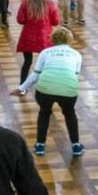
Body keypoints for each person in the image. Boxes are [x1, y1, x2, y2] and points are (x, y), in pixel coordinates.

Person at [11, 27, 84, 156]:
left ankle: (40, 145)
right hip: (68, 89)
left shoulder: (45, 52)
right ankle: (76, 145)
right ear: (70, 39)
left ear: (53, 39)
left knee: (44, 113)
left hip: (45, 90)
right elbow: (75, 75)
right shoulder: (77, 54)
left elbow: (36, 75)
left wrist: (21, 88)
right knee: (69, 114)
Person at [15, 0, 60, 85]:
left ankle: (22, 85)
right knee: (45, 63)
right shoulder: (50, 4)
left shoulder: (26, 3)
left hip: (28, 36)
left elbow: (20, 20)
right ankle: (45, 84)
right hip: (45, 38)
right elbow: (55, 22)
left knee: (27, 62)